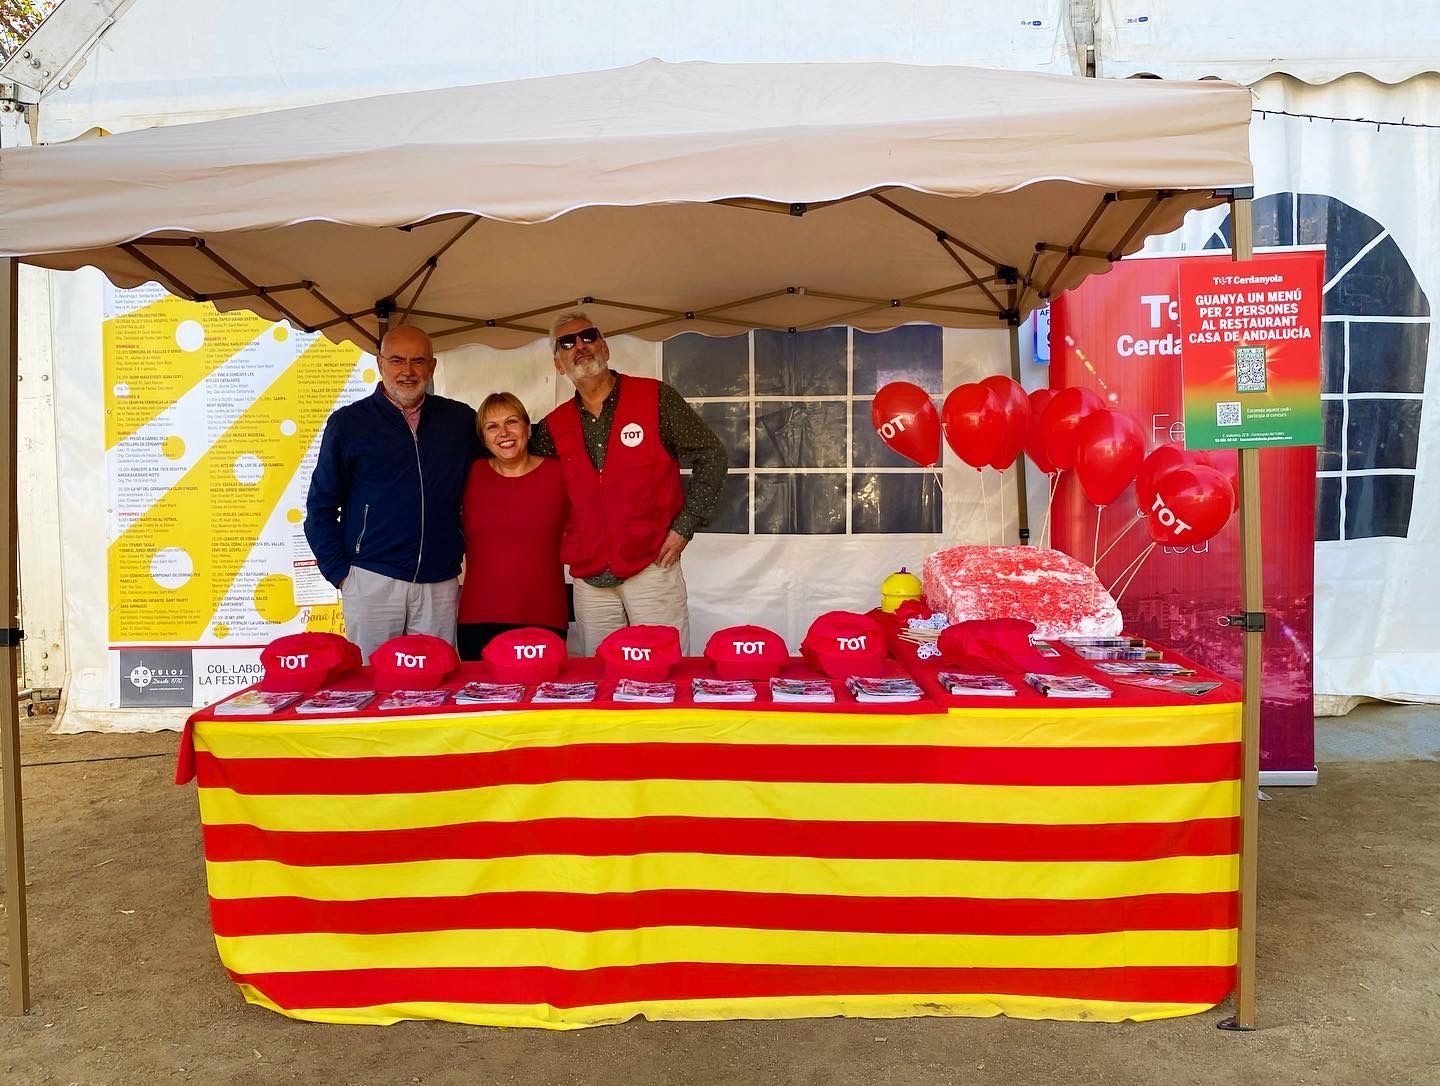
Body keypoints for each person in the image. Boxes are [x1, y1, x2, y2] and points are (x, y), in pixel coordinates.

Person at [529, 310, 728, 654]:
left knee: (664, 675)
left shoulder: (656, 398)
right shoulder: (551, 428)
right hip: (590, 579)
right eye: (567, 342)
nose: (580, 346)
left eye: (588, 337)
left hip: (652, 567)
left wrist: (684, 526)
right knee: (604, 682)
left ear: (605, 348)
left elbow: (712, 455)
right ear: (559, 365)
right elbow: (535, 490)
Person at [304, 325, 478, 661]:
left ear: (433, 367)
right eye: (398, 360)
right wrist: (341, 575)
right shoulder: (349, 424)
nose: (408, 371)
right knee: (372, 686)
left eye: (418, 361)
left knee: (435, 684)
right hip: (372, 580)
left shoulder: (458, 420)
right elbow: (321, 507)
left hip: (439, 580)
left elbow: (495, 476)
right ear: (379, 363)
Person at [456, 392, 569, 660]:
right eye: (492, 426)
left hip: (544, 614)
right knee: (482, 701)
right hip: (479, 617)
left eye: (512, 422)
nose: (503, 433)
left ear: (528, 429)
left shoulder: (559, 474)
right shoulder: (470, 475)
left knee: (540, 700)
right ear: (483, 439)